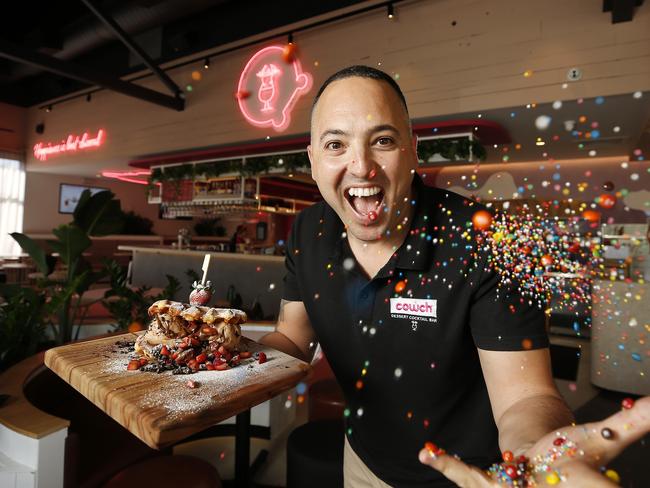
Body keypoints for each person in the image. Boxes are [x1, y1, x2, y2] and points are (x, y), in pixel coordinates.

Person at [260, 66, 650, 487]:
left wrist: (531, 456)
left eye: (383, 141)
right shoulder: (307, 232)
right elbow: (293, 340)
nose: (362, 166)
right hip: (361, 461)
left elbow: (527, 396)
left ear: (412, 151)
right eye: (336, 144)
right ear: (313, 160)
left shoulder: (489, 241)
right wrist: (227, 355)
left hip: (472, 476)